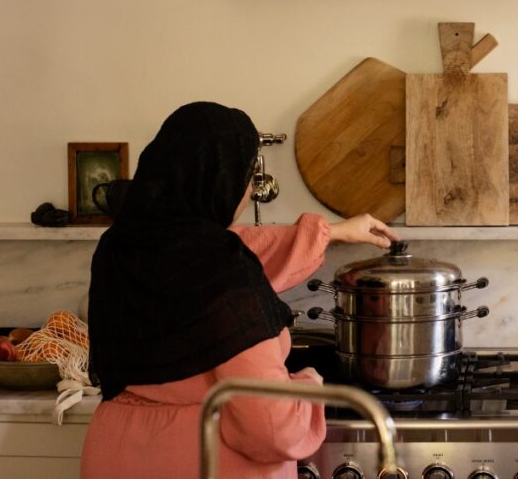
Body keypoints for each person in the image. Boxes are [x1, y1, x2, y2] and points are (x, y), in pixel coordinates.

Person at [80, 102, 397, 479]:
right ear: (219, 181)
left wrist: (335, 231)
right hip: (202, 460)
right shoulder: (222, 269)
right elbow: (270, 426)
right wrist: (308, 386)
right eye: (247, 177)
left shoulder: (121, 246)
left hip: (113, 455)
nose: (247, 193)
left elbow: (232, 245)